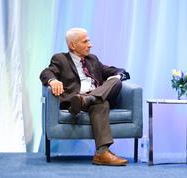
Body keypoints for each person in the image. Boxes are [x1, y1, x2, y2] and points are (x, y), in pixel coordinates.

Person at [40, 28, 130, 166]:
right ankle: (102, 153)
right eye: (85, 41)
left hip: (88, 99)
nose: (90, 44)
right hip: (75, 99)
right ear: (72, 45)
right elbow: (46, 72)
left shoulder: (92, 59)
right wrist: (53, 81)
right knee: (102, 103)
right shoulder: (60, 59)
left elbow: (116, 70)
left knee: (115, 81)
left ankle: (89, 99)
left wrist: (119, 75)